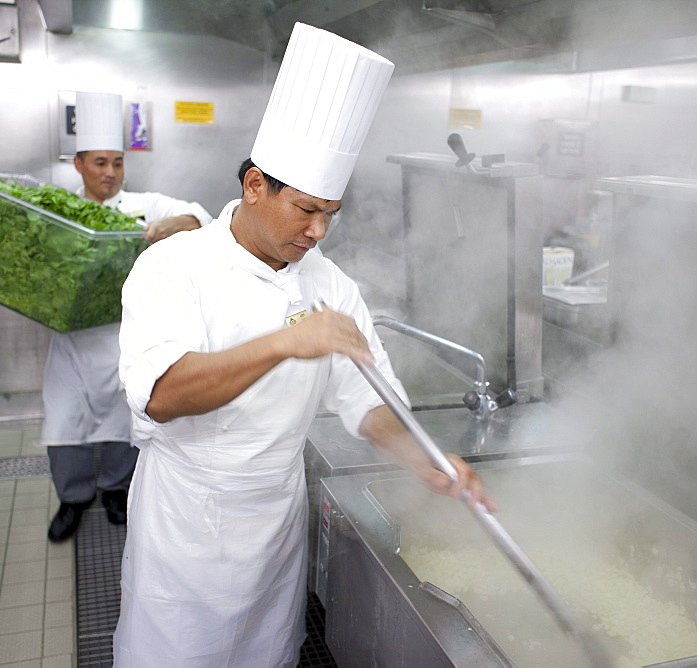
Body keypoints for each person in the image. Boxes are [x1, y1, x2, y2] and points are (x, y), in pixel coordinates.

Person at [113, 24, 495, 666]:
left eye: (332, 213)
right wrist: (286, 343)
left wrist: (421, 455)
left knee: (268, 654)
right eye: (307, 210)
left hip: (275, 515)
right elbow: (162, 395)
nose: (319, 231)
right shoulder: (173, 266)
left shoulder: (332, 287)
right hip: (186, 518)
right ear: (255, 184)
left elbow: (368, 401)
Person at [44, 91, 212, 543]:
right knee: (65, 418)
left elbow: (197, 216)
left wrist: (169, 226)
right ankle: (73, 497)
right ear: (78, 165)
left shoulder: (140, 205)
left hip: (122, 337)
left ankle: (116, 489)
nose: (111, 173)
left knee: (123, 415)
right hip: (73, 337)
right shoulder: (57, 211)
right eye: (100, 163)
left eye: (117, 163)